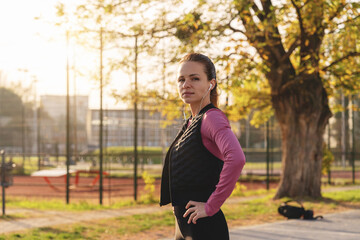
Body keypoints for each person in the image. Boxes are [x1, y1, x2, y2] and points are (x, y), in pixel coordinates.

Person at [160, 53, 246, 240]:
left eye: (195, 78)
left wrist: (211, 205)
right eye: (181, 79)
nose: (186, 84)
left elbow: (237, 158)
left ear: (211, 84)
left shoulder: (211, 118)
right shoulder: (192, 121)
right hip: (185, 226)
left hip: (205, 228)